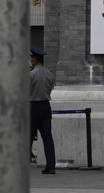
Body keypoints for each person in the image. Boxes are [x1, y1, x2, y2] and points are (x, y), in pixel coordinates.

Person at [30, 45, 56, 174]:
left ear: (36, 59)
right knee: (47, 138)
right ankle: (51, 166)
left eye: (32, 57)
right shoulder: (50, 74)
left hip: (32, 107)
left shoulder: (31, 75)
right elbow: (51, 88)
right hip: (46, 107)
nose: (31, 60)